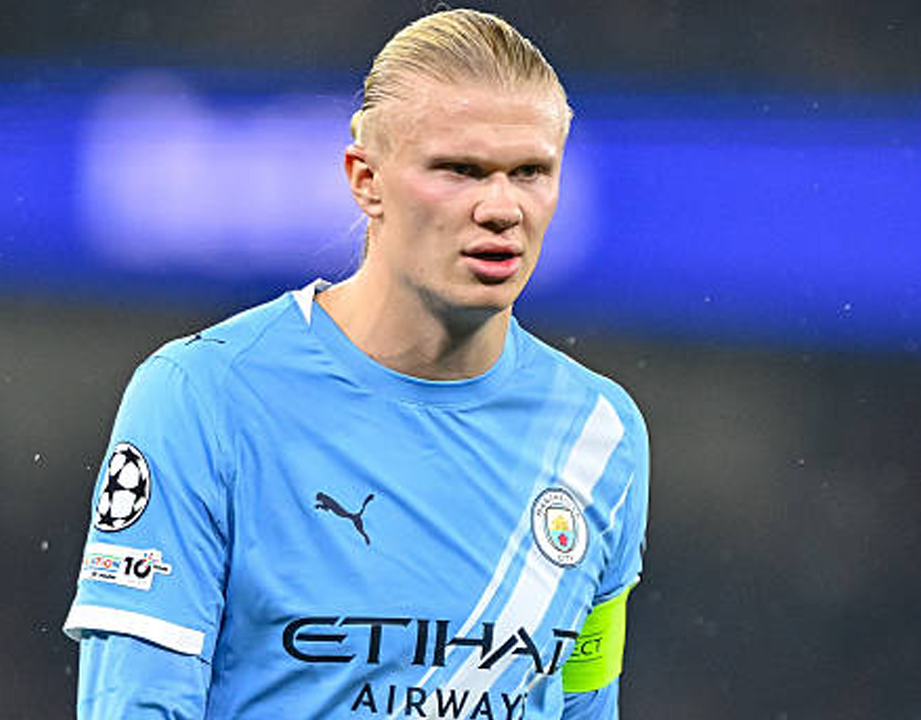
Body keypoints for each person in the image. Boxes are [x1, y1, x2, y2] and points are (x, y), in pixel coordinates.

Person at [63, 9, 649, 719]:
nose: (501, 207)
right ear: (366, 180)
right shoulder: (205, 396)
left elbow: (586, 704)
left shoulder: (601, 434)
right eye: (460, 170)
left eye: (531, 171)